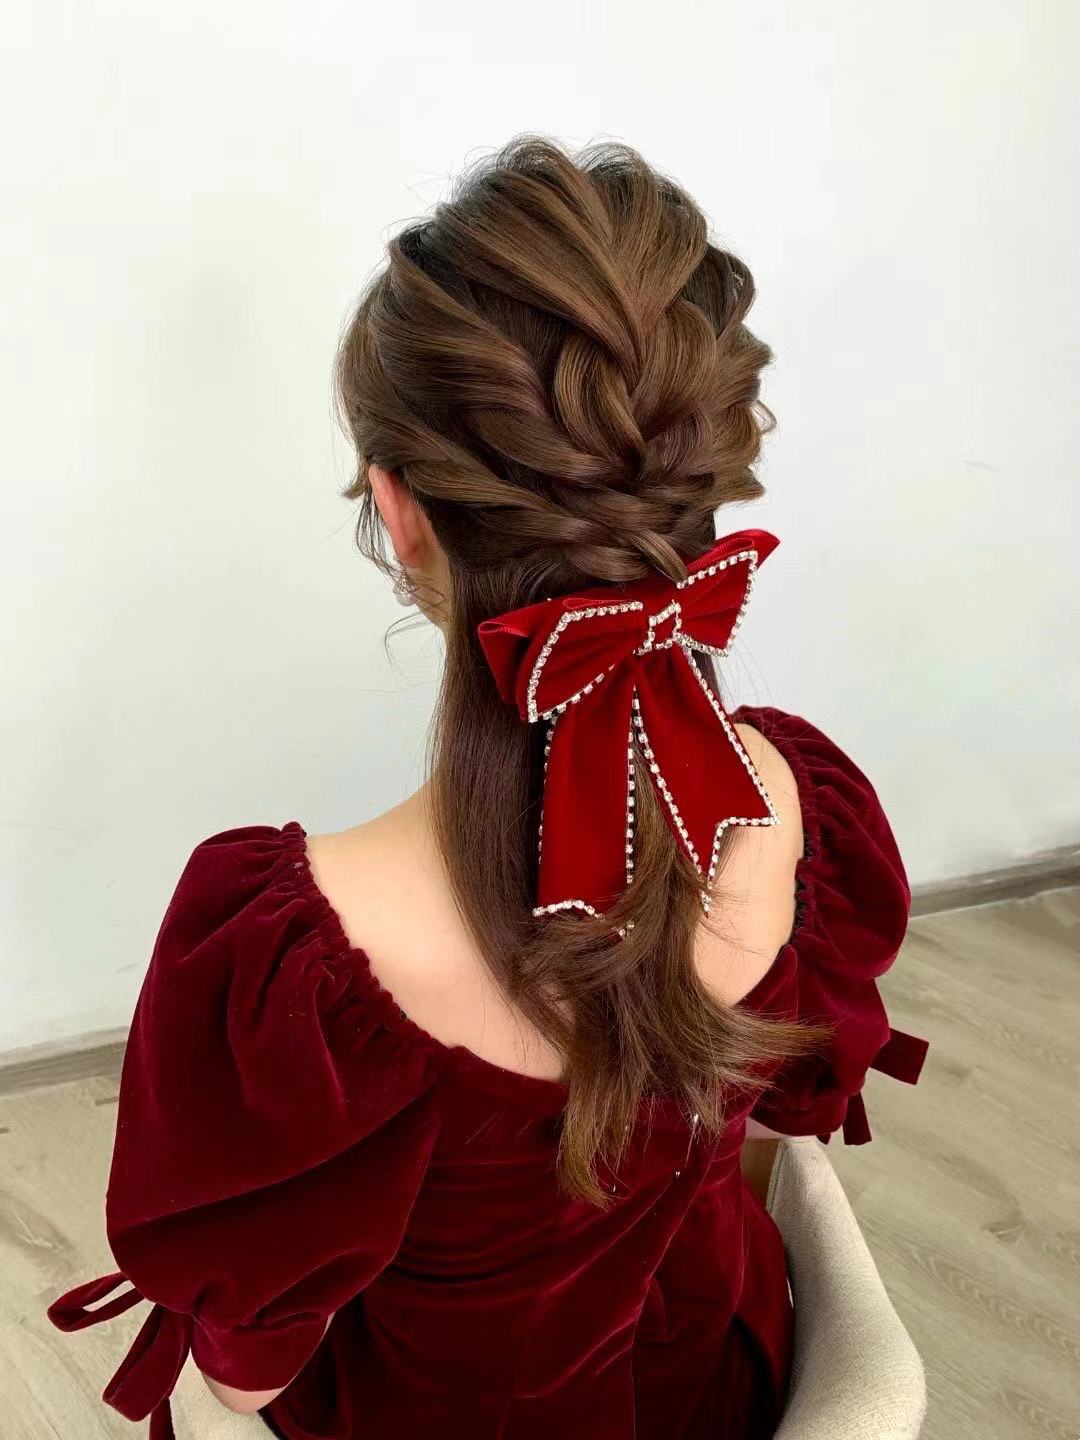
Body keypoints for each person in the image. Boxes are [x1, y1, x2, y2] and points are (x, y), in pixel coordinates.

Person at [48, 136, 927, 1440]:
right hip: (722, 1389)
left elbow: (246, 1377)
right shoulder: (792, 804)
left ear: (400, 515)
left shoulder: (301, 960)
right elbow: (778, 1128)